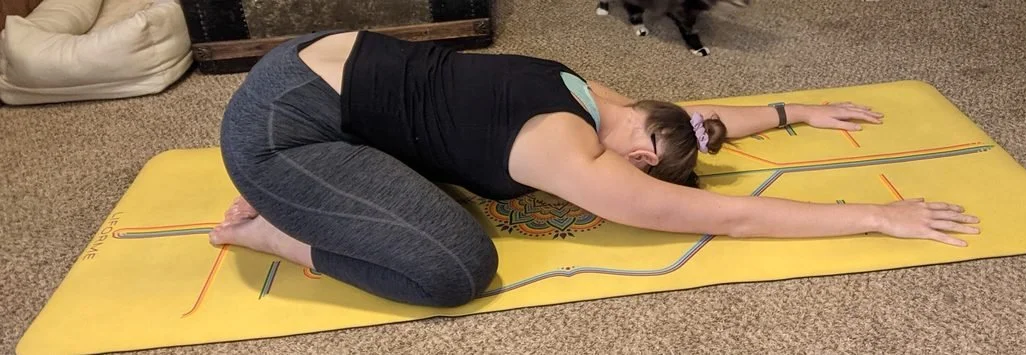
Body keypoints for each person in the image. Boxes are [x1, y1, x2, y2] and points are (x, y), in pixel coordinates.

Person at [210, 30, 980, 308]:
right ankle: (274, 232)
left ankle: (305, 198)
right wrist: (877, 214)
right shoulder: (573, 154)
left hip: (308, 59)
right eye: (650, 170)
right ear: (641, 157)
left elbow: (699, 121)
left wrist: (793, 111)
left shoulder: (587, 92)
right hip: (279, 131)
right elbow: (739, 216)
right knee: (456, 269)